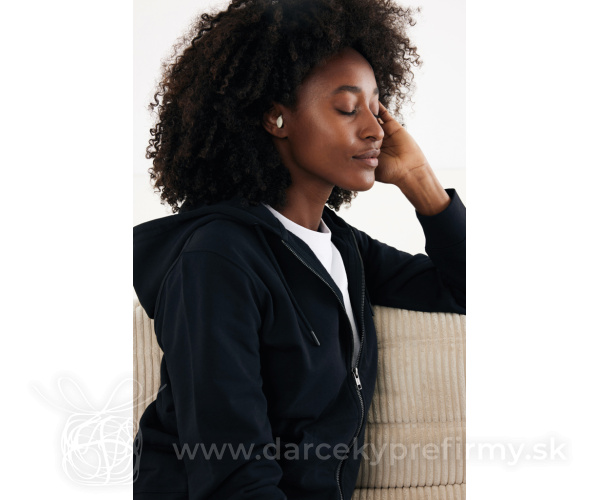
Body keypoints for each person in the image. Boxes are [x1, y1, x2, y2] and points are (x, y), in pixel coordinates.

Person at [132, 0, 465, 499]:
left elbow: (465, 286)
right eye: (348, 108)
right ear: (276, 118)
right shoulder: (216, 261)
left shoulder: (341, 248)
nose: (375, 130)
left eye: (377, 108)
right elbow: (232, 473)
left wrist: (422, 184)